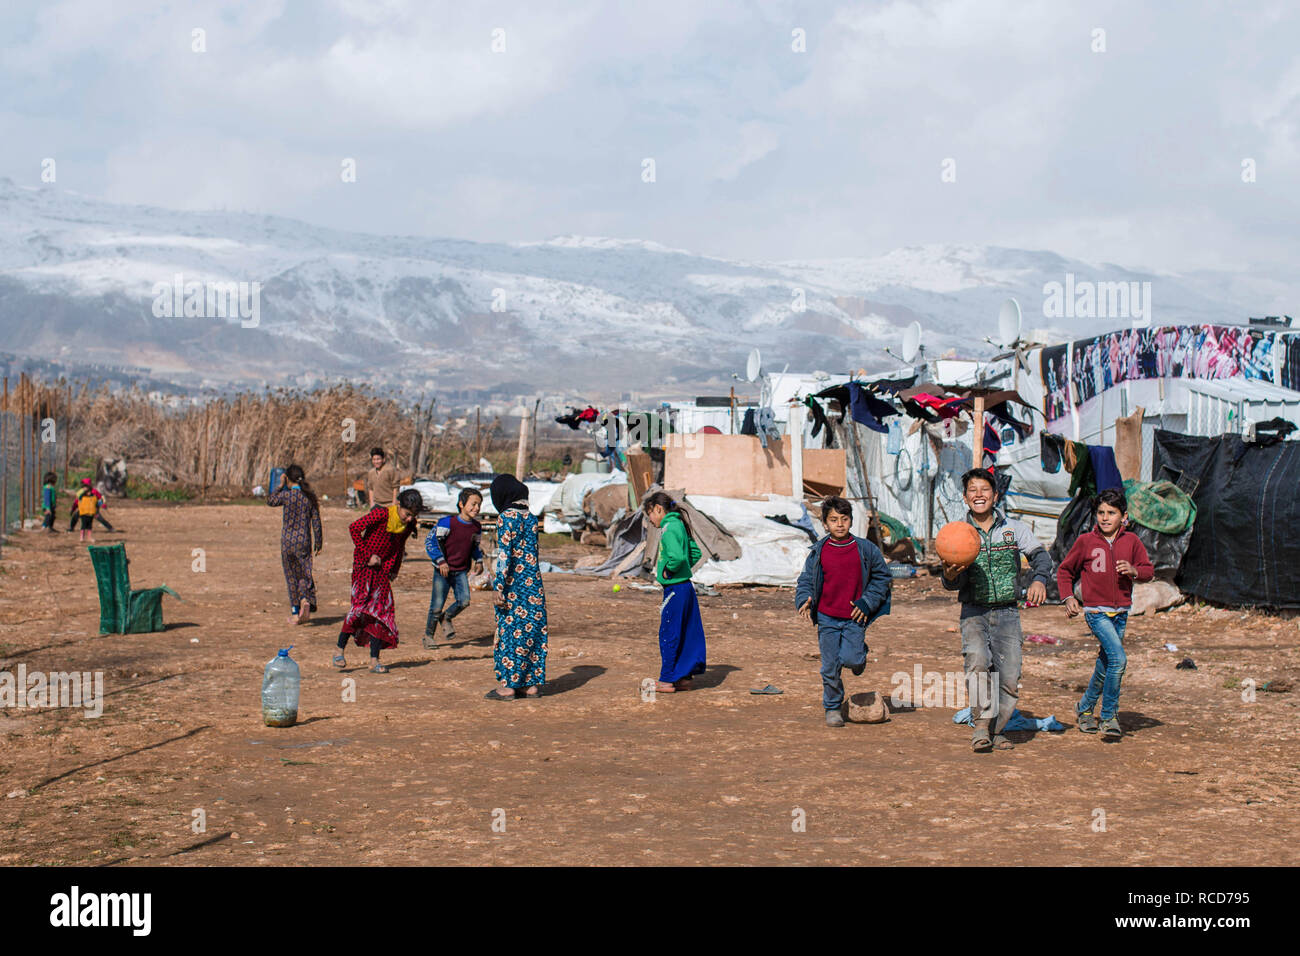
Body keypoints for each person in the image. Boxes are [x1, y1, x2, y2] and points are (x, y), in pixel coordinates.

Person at [942, 468, 1053, 753]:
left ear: (996, 495)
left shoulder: (1014, 529)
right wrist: (950, 575)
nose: (979, 495)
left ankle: (996, 729)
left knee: (1009, 676)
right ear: (965, 498)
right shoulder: (957, 534)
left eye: (984, 489)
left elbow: (1041, 558)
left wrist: (1039, 580)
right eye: (972, 490)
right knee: (977, 663)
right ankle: (981, 726)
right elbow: (949, 582)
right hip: (973, 613)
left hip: (1007, 613)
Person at [1056, 488, 1154, 741]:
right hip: (1096, 612)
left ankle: (1084, 709)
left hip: (1121, 612)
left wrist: (1134, 570)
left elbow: (1148, 570)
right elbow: (1065, 571)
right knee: (1119, 660)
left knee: (1106, 664)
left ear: (1124, 517)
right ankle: (1109, 716)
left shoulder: (1132, 542)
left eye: (1111, 513)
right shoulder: (1086, 542)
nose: (1105, 517)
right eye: (1101, 512)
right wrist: (1068, 597)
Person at [794, 496, 891, 727]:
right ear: (825, 524)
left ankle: (859, 655)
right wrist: (804, 599)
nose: (839, 524)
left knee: (850, 658)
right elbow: (806, 579)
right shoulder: (819, 552)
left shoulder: (865, 549)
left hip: (854, 617)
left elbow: (882, 577)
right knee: (829, 666)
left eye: (844, 519)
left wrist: (866, 602)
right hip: (827, 616)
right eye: (834, 520)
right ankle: (833, 707)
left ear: (851, 521)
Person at [333, 488, 422, 674]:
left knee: (380, 614)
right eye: (407, 514)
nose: (408, 519)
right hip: (363, 569)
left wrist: (395, 569)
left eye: (412, 516)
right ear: (399, 506)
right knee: (359, 609)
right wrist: (368, 555)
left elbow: (399, 547)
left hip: (383, 572)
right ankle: (339, 650)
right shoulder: (382, 514)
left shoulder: (406, 525)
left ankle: (374, 660)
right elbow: (354, 528)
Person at [485, 475, 548, 700]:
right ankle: (529, 685)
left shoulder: (505, 518)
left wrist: (498, 586)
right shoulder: (531, 518)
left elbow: (504, 556)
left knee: (511, 634)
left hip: (513, 587)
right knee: (531, 633)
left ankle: (508, 686)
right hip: (534, 587)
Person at [644, 491, 707, 694]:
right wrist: (683, 569)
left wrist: (669, 570)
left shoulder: (669, 528)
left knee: (669, 633)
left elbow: (677, 558)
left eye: (650, 514)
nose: (650, 520)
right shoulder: (679, 524)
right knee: (687, 632)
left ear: (658, 509)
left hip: (674, 589)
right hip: (686, 588)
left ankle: (666, 680)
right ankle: (683, 679)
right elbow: (695, 552)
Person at [424, 487, 484, 648]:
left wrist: (479, 561)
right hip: (442, 571)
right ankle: (428, 636)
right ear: (461, 504)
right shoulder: (447, 523)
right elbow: (430, 542)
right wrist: (440, 561)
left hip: (461, 571)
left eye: (479, 505)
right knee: (436, 606)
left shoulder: (476, 527)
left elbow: (475, 547)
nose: (476, 508)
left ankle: (447, 617)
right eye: (473, 504)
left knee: (464, 601)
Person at [267, 464, 324, 625]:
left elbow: (270, 501)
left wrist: (279, 486)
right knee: (305, 573)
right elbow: (316, 521)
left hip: (287, 541)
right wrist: (318, 542)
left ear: (288, 478)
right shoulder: (309, 497)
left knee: (291, 576)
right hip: (303, 541)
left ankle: (294, 611)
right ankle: (306, 598)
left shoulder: (287, 495)